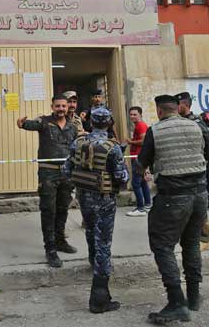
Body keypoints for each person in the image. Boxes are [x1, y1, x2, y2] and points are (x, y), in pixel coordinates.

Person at [139, 95, 209, 325]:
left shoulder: (156, 130)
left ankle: (176, 302)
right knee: (191, 243)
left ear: (159, 111)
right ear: (178, 109)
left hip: (172, 196)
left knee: (162, 245)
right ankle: (194, 296)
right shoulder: (198, 127)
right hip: (200, 195)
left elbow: (142, 162)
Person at [63, 107, 128, 314]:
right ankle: (99, 297)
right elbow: (121, 177)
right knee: (104, 243)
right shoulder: (113, 147)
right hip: (104, 199)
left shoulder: (78, 142)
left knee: (90, 231)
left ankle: (93, 262)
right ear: (109, 123)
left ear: (91, 122)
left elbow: (66, 170)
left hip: (84, 196)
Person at [17, 95, 79, 268]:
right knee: (48, 211)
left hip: (66, 175)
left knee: (63, 209)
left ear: (67, 108)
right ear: (52, 107)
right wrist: (21, 123)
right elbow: (28, 125)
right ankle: (50, 249)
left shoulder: (72, 127)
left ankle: (60, 241)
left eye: (63, 106)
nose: (61, 108)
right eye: (57, 106)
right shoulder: (44, 122)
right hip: (48, 174)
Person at [175, 92, 209, 249]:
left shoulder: (196, 122)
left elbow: (208, 141)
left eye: (178, 105)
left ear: (185, 105)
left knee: (198, 203)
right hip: (182, 168)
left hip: (196, 168)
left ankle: (204, 237)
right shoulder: (178, 121)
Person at [125, 106, 152, 216]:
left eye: (134, 114)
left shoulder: (141, 125)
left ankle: (140, 208)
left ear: (140, 115)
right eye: (131, 114)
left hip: (138, 157)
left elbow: (143, 141)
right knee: (142, 182)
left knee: (136, 183)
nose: (132, 116)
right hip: (139, 157)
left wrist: (130, 142)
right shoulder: (139, 125)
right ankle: (147, 204)